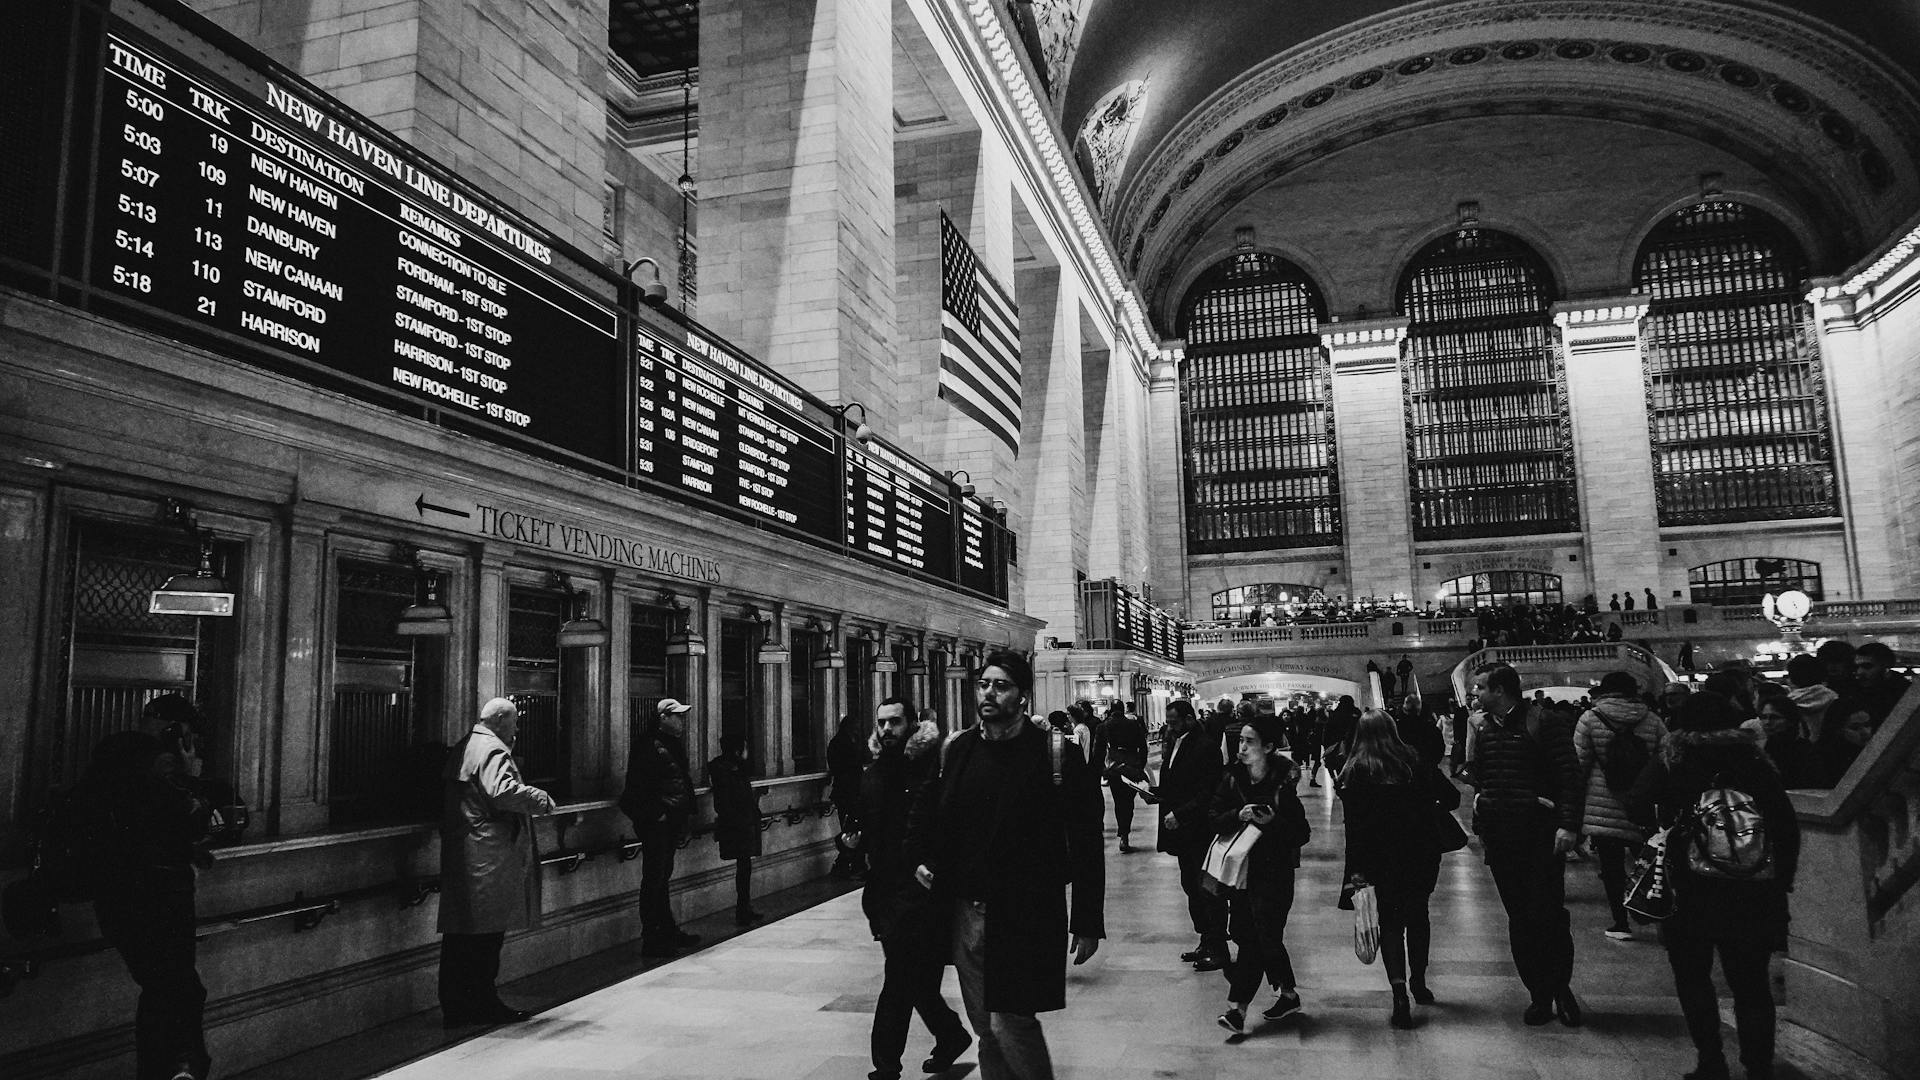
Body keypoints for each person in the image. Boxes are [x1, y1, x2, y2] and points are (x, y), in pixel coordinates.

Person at [907, 651, 1105, 1080]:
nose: (989, 693)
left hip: (1025, 912)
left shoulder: (1053, 754)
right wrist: (922, 858)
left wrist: (1088, 919)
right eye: (984, 684)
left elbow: (1087, 839)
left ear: (1022, 695)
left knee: (1011, 1020)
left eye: (1001, 685)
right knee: (986, 1030)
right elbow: (929, 812)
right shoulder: (958, 749)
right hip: (966, 911)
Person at [1630, 691, 1801, 1080]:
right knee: (1752, 984)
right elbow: (1785, 825)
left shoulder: (1674, 759)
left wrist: (1669, 830)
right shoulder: (1754, 760)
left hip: (1691, 889)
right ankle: (1758, 1067)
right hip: (1752, 890)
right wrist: (1781, 880)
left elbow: (1637, 802)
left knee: (1693, 976)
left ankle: (1711, 1060)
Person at [80, 728, 215, 1080]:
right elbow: (199, 819)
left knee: (164, 992)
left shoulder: (105, 795)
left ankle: (171, 1068)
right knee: (179, 993)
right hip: (159, 905)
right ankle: (179, 1069)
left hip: (121, 907)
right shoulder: (148, 791)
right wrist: (189, 773)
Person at [1467, 663, 1584, 1026]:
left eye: (1482, 687)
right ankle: (1538, 993)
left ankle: (1560, 987)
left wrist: (1568, 825)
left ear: (1501, 690)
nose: (1476, 694)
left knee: (1548, 915)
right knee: (1518, 918)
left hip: (1539, 835)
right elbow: (1478, 774)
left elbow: (1569, 776)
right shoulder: (1484, 727)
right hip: (1502, 836)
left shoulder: (1544, 722)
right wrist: (1482, 804)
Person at [860, 697, 971, 1080]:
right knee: (918, 981)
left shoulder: (930, 769)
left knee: (899, 980)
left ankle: (885, 1067)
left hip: (921, 891)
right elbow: (871, 826)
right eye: (882, 723)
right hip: (885, 891)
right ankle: (952, 1035)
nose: (887, 729)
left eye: (895, 722)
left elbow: (947, 826)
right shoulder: (873, 772)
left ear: (911, 724)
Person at [438, 698, 556, 1027]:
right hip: (488, 856)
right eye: (515, 722)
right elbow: (503, 792)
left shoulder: (468, 745)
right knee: (486, 936)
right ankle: (482, 1002)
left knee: (461, 935)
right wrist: (539, 798)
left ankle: (457, 1004)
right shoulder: (492, 749)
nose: (517, 729)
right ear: (501, 720)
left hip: (467, 850)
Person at [1337, 709, 1458, 1028]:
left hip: (1379, 858)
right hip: (1420, 852)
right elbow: (1453, 798)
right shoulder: (1414, 762)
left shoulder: (1354, 771)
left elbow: (1355, 829)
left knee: (1390, 923)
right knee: (1419, 916)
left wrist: (1356, 871)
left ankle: (1399, 992)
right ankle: (1419, 980)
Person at [1210, 714, 1309, 1036]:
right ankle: (1289, 994)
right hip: (1239, 873)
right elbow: (1213, 818)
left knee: (1256, 940)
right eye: (1240, 740)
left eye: (1249, 742)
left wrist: (1272, 824)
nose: (1241, 747)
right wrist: (1236, 815)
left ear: (1268, 747)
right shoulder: (1232, 779)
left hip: (1274, 873)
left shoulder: (1282, 785)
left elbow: (1301, 833)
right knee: (1255, 937)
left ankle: (1236, 1010)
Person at [1572, 671, 1665, 939]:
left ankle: (1620, 923)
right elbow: (1665, 758)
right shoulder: (1652, 719)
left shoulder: (1590, 718)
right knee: (1650, 862)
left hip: (1603, 802)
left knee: (1611, 869)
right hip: (1642, 801)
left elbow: (1579, 763)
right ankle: (1658, 915)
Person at [620, 697, 698, 957]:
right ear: (663, 717)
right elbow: (638, 786)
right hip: (657, 822)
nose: (681, 721)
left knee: (662, 877)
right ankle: (651, 937)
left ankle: (666, 930)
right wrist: (658, 814)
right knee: (654, 878)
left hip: (670, 819)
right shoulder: (649, 745)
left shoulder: (669, 744)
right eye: (676, 716)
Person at [1157, 698, 1230, 972]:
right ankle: (1205, 939)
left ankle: (1218, 946)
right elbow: (1177, 781)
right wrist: (1157, 795)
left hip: (1197, 829)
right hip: (1182, 830)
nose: (1170, 726)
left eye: (1174, 722)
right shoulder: (1178, 742)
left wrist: (1182, 813)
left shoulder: (1205, 747)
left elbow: (1207, 791)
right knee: (1190, 885)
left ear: (1189, 718)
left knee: (1206, 889)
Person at [707, 731, 763, 925]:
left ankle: (744, 906)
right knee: (743, 866)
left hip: (741, 821)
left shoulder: (732, 768)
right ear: (738, 751)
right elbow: (729, 799)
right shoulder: (730, 770)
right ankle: (743, 908)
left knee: (745, 866)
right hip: (738, 823)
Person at [1100, 699, 1150, 852]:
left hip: (1115, 766)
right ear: (1123, 710)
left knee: (1118, 801)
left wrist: (1104, 770)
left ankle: (1123, 834)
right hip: (1131, 765)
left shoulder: (1105, 726)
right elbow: (1143, 747)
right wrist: (1139, 765)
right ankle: (1125, 834)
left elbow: (1099, 750)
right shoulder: (1133, 724)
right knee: (1128, 802)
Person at [829, 714, 872, 879]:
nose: (858, 729)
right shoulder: (843, 743)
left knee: (852, 829)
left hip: (847, 792)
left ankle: (847, 864)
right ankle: (853, 865)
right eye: (856, 725)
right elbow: (851, 765)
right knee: (853, 829)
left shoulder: (840, 742)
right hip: (849, 793)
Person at [1854, 641, 1911, 728]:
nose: (1859, 672)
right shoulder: (1857, 692)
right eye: (1857, 667)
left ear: (1886, 666)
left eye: (1867, 667)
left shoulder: (1906, 694)